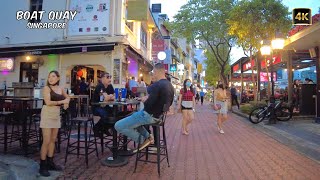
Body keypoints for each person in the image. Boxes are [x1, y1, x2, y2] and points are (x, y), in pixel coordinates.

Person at [115, 63, 174, 151]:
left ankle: (143, 140)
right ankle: (149, 137)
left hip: (149, 116)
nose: (153, 74)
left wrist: (144, 100)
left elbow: (149, 105)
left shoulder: (157, 85)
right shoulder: (170, 86)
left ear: (157, 71)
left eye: (153, 72)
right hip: (158, 117)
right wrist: (147, 98)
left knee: (118, 125)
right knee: (133, 118)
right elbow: (162, 101)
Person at [39, 71, 70, 177]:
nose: (50, 78)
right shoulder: (46, 88)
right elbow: (48, 102)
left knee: (53, 140)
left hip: (56, 115)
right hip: (47, 114)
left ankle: (50, 163)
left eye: (53, 76)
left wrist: (67, 102)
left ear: (58, 78)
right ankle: (42, 166)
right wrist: (62, 102)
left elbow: (68, 97)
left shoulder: (61, 88)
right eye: (49, 76)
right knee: (46, 141)